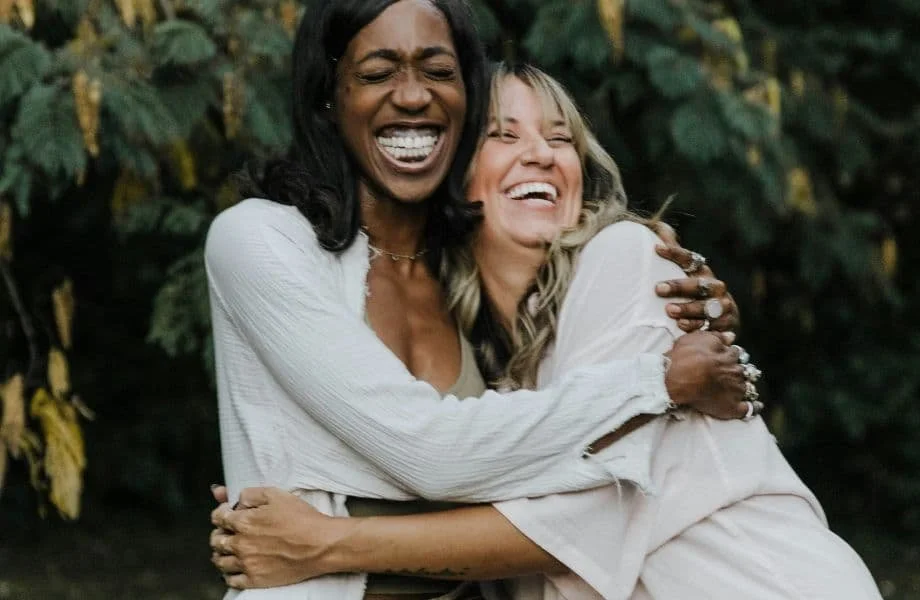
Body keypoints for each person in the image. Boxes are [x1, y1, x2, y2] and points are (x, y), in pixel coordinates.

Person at [209, 63, 883, 600]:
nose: (541, 153)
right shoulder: (492, 361)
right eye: (504, 135)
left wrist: (320, 544)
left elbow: (577, 523)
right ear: (455, 175)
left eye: (561, 139)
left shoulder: (631, 263)